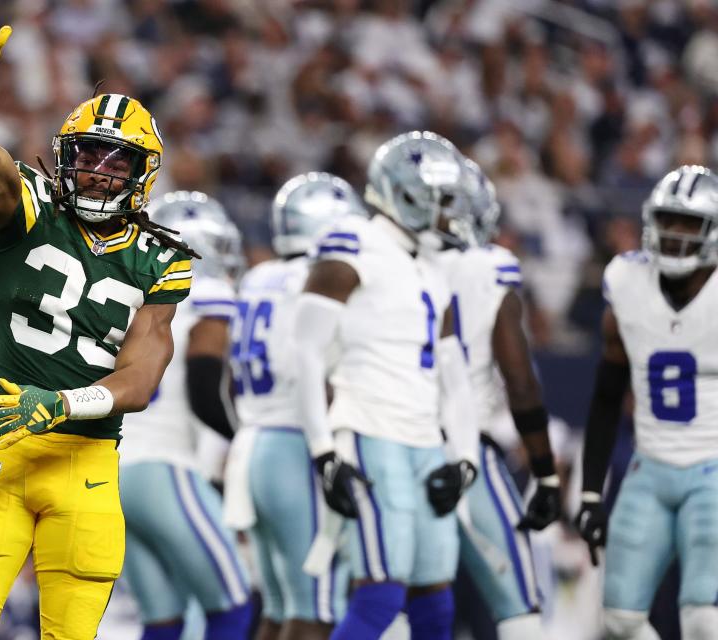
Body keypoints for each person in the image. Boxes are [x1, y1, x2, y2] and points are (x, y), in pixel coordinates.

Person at [0, 27, 197, 639]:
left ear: (143, 174)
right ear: (63, 156)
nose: (97, 172)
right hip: (3, 458)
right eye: (85, 155)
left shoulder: (161, 259)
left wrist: (60, 405)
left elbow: (140, 377)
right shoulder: (27, 209)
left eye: (116, 161)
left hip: (87, 467)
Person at [292, 131, 479, 640]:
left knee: (436, 601)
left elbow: (454, 376)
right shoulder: (354, 242)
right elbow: (306, 351)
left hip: (427, 440)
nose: (450, 213)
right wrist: (323, 451)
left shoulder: (433, 263)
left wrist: (465, 458)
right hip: (369, 430)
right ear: (407, 195)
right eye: (442, 200)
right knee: (380, 592)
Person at [575, 165, 718, 640]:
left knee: (702, 618)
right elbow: (606, 395)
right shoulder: (627, 282)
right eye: (667, 219)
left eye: (688, 223)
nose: (675, 234)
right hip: (649, 466)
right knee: (619, 621)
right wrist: (592, 493)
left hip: (713, 467)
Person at [223, 172, 366, 640]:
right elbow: (312, 370)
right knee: (316, 610)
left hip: (252, 446)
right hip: (295, 443)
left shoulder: (259, 276)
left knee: (281, 608)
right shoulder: (314, 277)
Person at [434, 158, 561, 640]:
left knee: (399, 601)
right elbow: (519, 379)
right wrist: (545, 471)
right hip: (468, 451)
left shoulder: (389, 263)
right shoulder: (489, 267)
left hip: (397, 445)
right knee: (520, 608)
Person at [118, 191, 252, 640]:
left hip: (114, 468)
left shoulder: (123, 294)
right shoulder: (205, 291)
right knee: (233, 606)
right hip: (163, 464)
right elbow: (202, 385)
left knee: (163, 620)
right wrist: (244, 436)